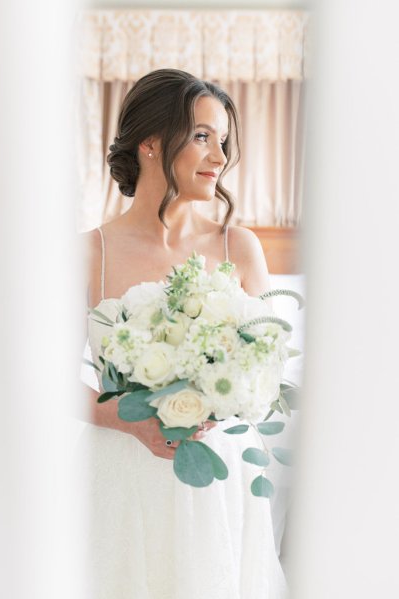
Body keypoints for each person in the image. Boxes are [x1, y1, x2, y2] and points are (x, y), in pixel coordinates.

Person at [79, 68, 288, 598]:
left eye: (222, 140)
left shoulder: (239, 248)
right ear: (150, 142)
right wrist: (131, 424)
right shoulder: (87, 255)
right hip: (120, 474)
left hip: (220, 474)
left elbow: (269, 364)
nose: (220, 157)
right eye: (202, 136)